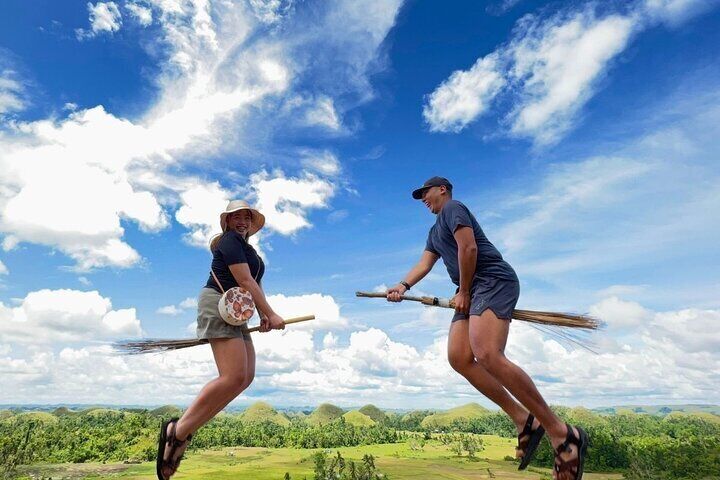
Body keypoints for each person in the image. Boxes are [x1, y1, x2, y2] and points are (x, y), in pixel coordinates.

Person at [387, 177, 588, 480]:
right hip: (468, 289)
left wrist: (464, 291)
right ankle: (524, 420)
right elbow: (425, 264)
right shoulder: (434, 231)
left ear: (442, 189)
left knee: (488, 354)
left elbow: (468, 249)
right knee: (459, 357)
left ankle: (561, 433)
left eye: (425, 193)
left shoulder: (453, 208)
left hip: (491, 280)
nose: (423, 200)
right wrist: (402, 286)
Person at [157, 199, 286, 480]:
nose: (242, 222)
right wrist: (272, 313)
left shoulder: (249, 249)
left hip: (238, 310)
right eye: (236, 217)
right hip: (218, 303)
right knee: (231, 376)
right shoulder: (228, 241)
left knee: (245, 377)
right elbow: (245, 282)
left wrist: (263, 315)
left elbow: (255, 284)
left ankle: (183, 432)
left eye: (247, 218)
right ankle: (176, 433)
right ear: (227, 221)